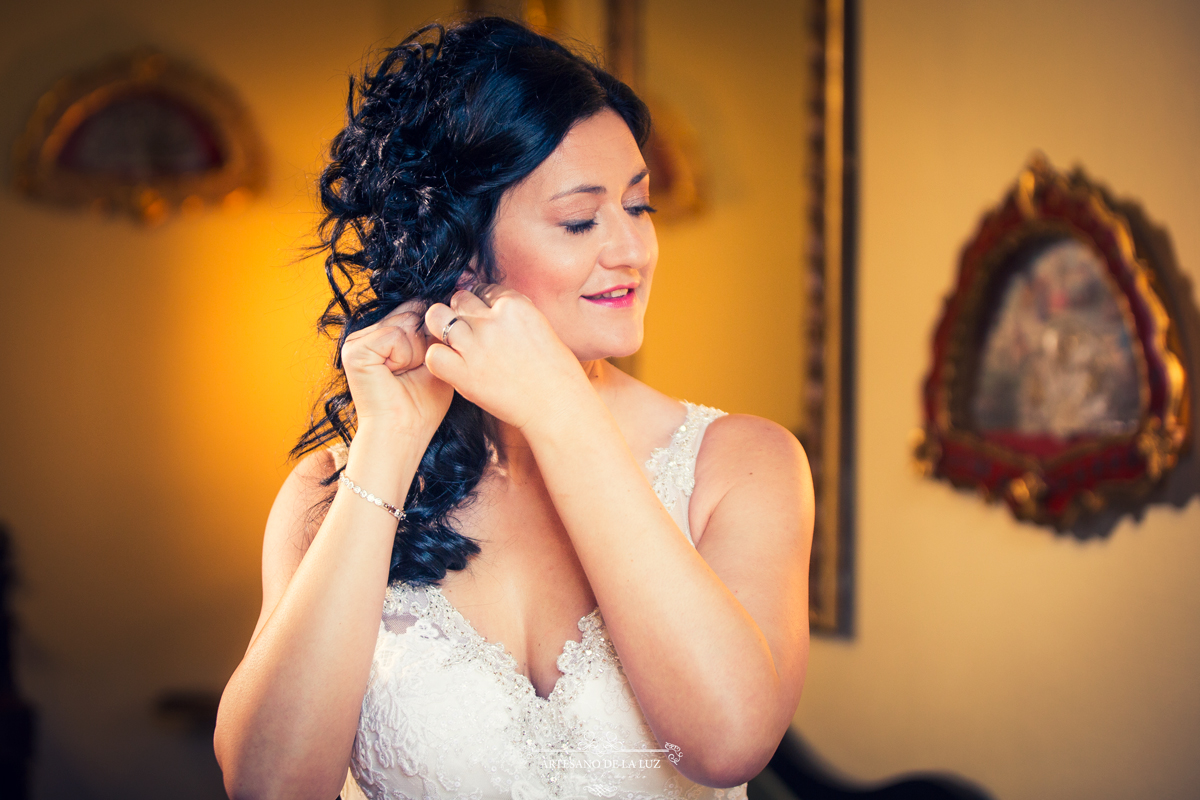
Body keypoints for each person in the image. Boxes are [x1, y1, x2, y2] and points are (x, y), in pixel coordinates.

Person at [213, 15, 813, 800]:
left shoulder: (744, 466)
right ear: (460, 249)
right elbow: (269, 788)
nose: (631, 250)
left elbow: (728, 744)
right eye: (578, 219)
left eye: (638, 207)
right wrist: (386, 447)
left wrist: (563, 413)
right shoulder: (327, 497)